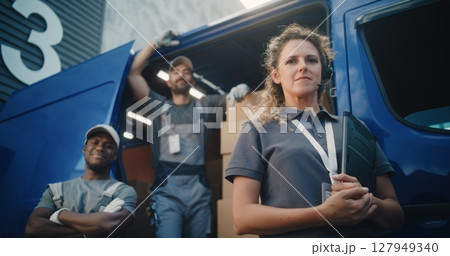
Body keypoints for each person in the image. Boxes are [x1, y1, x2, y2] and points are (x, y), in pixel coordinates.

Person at [225, 23, 404, 237]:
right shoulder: (256, 130)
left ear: (323, 72)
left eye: (311, 60)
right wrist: (323, 214)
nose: (303, 67)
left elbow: (396, 216)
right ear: (276, 75)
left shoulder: (355, 128)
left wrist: (367, 199)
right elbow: (242, 219)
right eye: (291, 61)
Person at [127, 31, 249, 238]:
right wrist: (154, 43)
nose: (182, 74)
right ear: (169, 81)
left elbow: (233, 100)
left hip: (198, 192)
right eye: (176, 71)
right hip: (166, 193)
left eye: (187, 72)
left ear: (192, 80)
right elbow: (133, 74)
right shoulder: (158, 107)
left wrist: (242, 89)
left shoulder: (205, 104)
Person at [25, 124, 137, 237]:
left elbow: (108, 225)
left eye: (108, 146)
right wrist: (92, 230)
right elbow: (32, 228)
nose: (100, 148)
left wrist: (60, 215)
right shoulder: (55, 189)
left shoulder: (124, 191)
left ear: (115, 156)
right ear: (84, 149)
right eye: (95, 142)